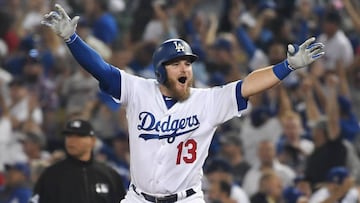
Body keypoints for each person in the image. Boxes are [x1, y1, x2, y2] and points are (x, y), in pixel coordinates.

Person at [40, 4, 324, 202]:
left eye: (187, 63)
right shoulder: (138, 91)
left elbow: (248, 84)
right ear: (160, 70)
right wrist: (73, 40)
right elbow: (101, 69)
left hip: (187, 199)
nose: (184, 68)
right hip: (138, 198)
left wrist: (286, 66)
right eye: (175, 64)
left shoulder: (208, 101)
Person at [30, 119, 126, 203]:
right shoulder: (51, 175)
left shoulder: (109, 175)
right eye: (69, 136)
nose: (71, 141)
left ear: (92, 140)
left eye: (79, 136)